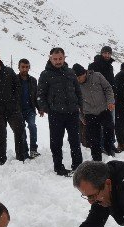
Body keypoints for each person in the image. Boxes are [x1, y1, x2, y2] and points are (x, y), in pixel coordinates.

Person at [37, 47, 84, 177]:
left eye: (60, 59)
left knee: (75, 141)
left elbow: (78, 91)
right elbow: (40, 94)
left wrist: (79, 106)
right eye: (55, 59)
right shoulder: (45, 74)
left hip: (72, 113)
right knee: (56, 142)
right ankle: (58, 167)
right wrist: (49, 109)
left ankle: (78, 166)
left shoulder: (70, 72)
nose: (58, 61)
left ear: (64, 58)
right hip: (56, 115)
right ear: (50, 58)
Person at [73, 63, 116, 160]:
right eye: (76, 78)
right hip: (89, 113)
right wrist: (81, 117)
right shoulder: (75, 85)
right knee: (93, 138)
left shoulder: (97, 76)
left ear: (85, 73)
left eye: (79, 77)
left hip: (104, 109)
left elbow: (108, 88)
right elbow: (76, 103)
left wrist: (110, 101)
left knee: (109, 130)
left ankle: (109, 151)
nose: (78, 80)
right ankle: (96, 160)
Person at [89, 45, 117, 154]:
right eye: (105, 53)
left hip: (110, 97)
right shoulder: (94, 65)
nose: (107, 55)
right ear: (101, 53)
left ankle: (110, 143)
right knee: (101, 123)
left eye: (109, 53)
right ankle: (103, 145)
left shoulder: (110, 66)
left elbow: (111, 82)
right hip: (99, 98)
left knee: (111, 122)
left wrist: (114, 93)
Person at [18, 58, 42, 159]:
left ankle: (33, 150)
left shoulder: (33, 80)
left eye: (27, 67)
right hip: (18, 110)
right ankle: (24, 151)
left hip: (30, 109)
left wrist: (39, 108)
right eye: (23, 67)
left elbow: (36, 95)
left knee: (32, 126)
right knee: (21, 130)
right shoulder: (14, 79)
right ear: (19, 67)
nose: (25, 69)